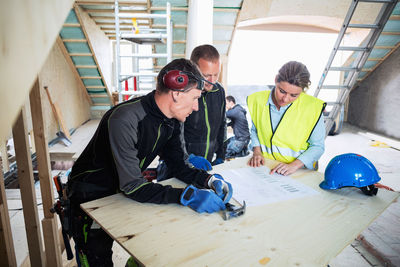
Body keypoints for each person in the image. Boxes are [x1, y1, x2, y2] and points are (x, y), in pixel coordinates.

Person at [66, 58, 233, 266]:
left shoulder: (173, 118)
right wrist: (188, 195)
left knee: (149, 247)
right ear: (176, 93)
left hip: (123, 191)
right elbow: (133, 186)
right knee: (97, 257)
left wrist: (208, 180)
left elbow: (179, 165)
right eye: (195, 98)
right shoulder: (124, 119)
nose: (197, 107)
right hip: (90, 197)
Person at [247, 61, 326, 176]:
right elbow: (255, 130)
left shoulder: (313, 108)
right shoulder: (257, 100)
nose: (285, 99)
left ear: (303, 91)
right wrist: (257, 151)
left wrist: (294, 165)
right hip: (265, 168)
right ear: (275, 80)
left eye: (294, 95)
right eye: (282, 91)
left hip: (298, 171)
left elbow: (317, 146)